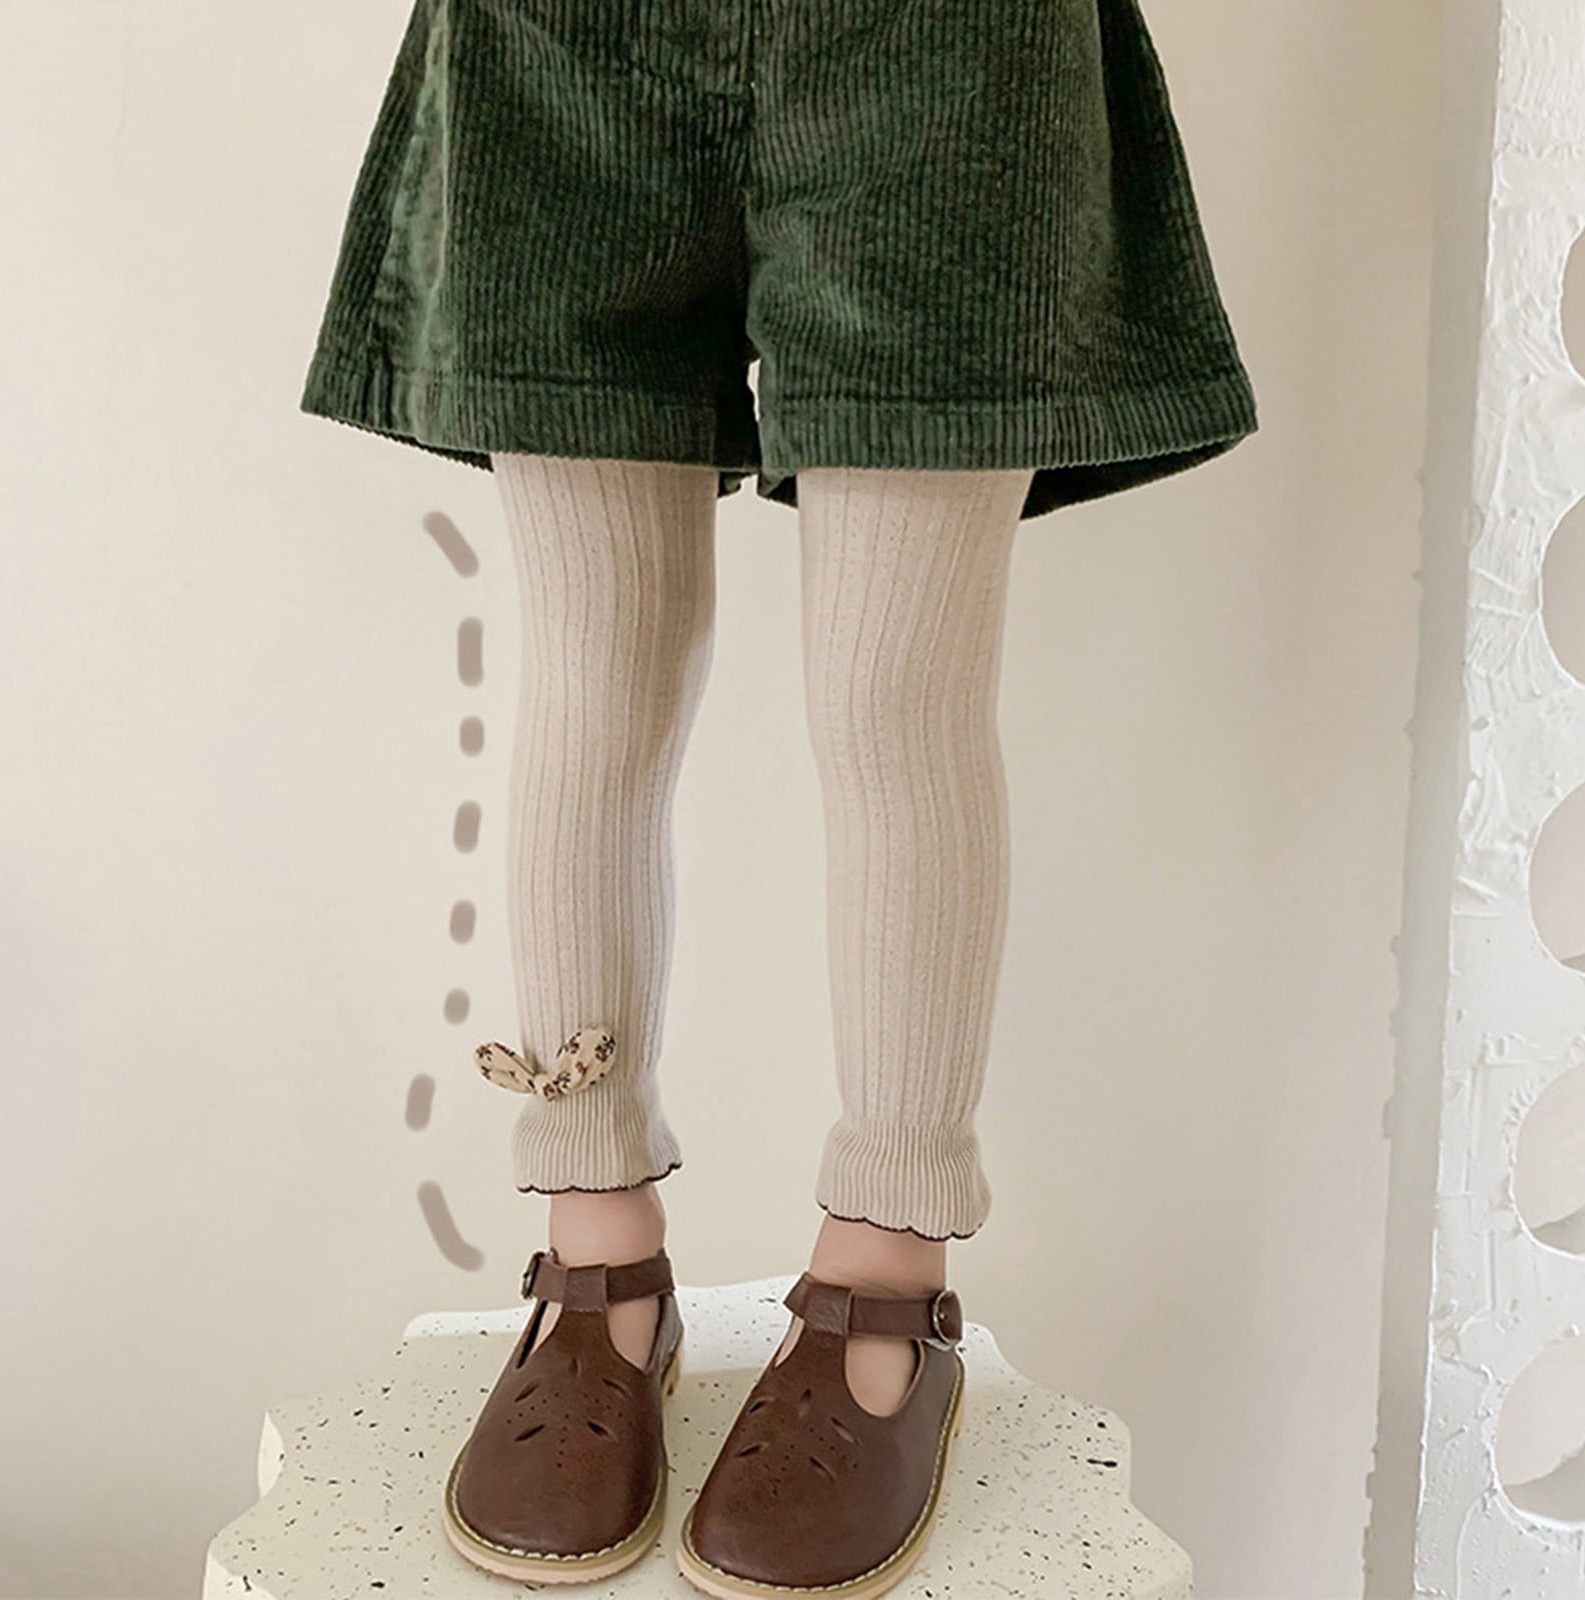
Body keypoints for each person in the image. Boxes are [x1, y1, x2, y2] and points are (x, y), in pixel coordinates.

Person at [299, 1, 1257, 1593]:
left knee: (894, 698)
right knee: (595, 678)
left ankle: (886, 1293)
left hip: (952, 47)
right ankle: (599, 1270)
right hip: (557, 42)